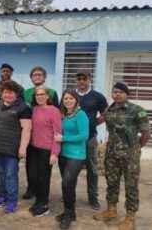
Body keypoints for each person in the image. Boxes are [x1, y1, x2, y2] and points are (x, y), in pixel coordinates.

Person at [94, 82, 151, 230]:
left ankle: (130, 219)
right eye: (115, 92)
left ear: (127, 94)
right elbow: (97, 122)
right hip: (111, 154)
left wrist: (136, 148)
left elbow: (146, 133)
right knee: (111, 183)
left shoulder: (137, 110)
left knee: (131, 186)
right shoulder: (108, 110)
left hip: (129, 156)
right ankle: (111, 211)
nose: (117, 94)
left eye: (121, 92)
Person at [0, 80, 32, 214]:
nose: (7, 95)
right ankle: (3, 196)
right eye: (5, 92)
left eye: (10, 93)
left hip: (12, 149)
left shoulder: (23, 108)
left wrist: (23, 148)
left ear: (16, 94)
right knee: (0, 174)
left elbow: (27, 129)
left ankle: (12, 202)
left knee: (10, 175)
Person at [54, 90, 89, 229]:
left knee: (66, 184)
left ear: (76, 100)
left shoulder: (81, 115)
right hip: (64, 155)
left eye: (70, 98)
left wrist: (63, 138)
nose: (67, 101)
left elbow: (84, 135)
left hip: (77, 155)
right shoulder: (64, 116)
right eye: (65, 98)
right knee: (69, 185)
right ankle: (71, 212)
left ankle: (68, 215)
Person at [23, 66, 59, 200]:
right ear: (31, 78)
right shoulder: (25, 93)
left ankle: (42, 199)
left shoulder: (52, 93)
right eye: (34, 75)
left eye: (40, 75)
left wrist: (55, 150)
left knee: (42, 173)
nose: (37, 77)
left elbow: (56, 116)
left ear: (44, 77)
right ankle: (31, 188)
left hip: (46, 139)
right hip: (31, 136)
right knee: (30, 168)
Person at [75, 69, 108, 210]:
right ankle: (68, 193)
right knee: (70, 168)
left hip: (90, 138)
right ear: (76, 80)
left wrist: (94, 123)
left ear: (90, 80)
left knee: (92, 169)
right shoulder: (70, 95)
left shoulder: (98, 97)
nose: (82, 81)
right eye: (79, 79)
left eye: (85, 78)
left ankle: (93, 196)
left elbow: (106, 113)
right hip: (72, 139)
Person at [28, 86, 61, 217]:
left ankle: (44, 203)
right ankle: (38, 200)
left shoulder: (54, 111)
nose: (40, 97)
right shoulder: (34, 110)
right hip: (33, 148)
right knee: (32, 176)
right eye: (37, 95)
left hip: (46, 149)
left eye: (42, 94)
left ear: (48, 96)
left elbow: (58, 133)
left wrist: (54, 153)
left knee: (43, 177)